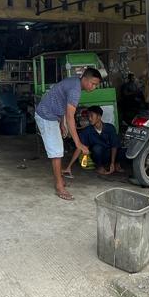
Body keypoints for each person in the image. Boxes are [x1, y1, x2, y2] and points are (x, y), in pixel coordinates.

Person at [35, 66, 102, 200]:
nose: (93, 87)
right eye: (93, 83)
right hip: (46, 115)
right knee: (57, 151)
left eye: (96, 85)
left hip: (52, 115)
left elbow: (62, 103)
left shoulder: (75, 82)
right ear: (85, 79)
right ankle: (59, 186)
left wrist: (61, 123)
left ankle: (59, 180)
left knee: (58, 149)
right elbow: (71, 116)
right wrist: (78, 143)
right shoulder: (75, 90)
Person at [63, 105, 123, 177]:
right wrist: (69, 167)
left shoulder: (110, 128)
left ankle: (116, 164)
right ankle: (99, 167)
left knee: (120, 146)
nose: (89, 118)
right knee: (97, 148)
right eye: (88, 116)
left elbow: (114, 146)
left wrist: (112, 163)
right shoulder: (87, 131)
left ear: (99, 116)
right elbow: (79, 148)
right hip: (99, 157)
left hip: (110, 155)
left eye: (91, 116)